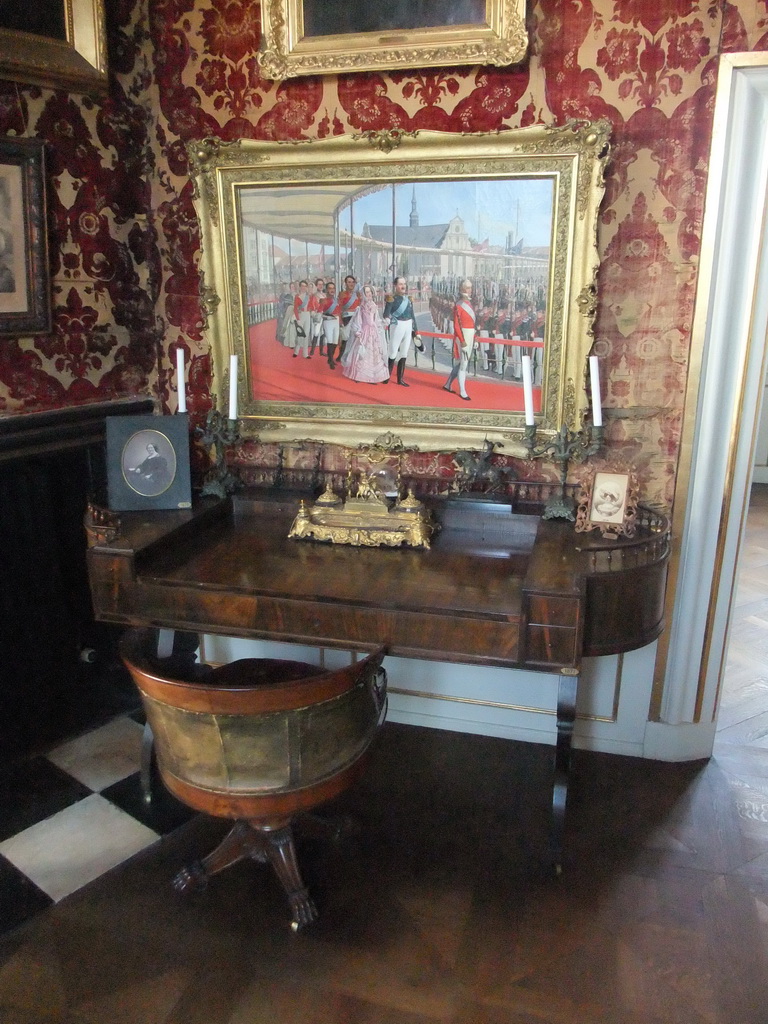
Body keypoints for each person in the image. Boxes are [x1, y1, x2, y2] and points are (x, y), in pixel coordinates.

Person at [341, 284, 389, 384]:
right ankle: (359, 375)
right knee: (361, 353)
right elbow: (358, 321)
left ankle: (373, 376)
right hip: (364, 331)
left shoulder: (374, 306)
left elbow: (376, 319)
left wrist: (382, 324)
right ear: (363, 294)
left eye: (370, 292)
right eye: (366, 292)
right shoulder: (360, 308)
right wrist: (358, 331)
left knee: (374, 353)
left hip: (373, 331)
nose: (369, 294)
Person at [382, 276, 422, 387]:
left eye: (404, 283)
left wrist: (416, 331)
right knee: (393, 352)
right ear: (395, 286)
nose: (403, 286)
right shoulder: (391, 298)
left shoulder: (409, 299)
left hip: (408, 325)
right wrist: (387, 319)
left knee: (404, 353)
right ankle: (387, 376)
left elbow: (412, 316)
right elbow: (386, 313)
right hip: (397, 325)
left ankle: (400, 378)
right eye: (400, 284)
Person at [442, 279, 475, 401]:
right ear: (462, 289)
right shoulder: (459, 305)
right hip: (463, 337)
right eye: (467, 288)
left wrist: (474, 338)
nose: (469, 290)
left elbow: (472, 323)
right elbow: (456, 325)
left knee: (460, 363)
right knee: (464, 364)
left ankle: (447, 384)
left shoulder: (469, 304)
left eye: (470, 287)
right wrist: (462, 340)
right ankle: (463, 391)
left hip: (470, 335)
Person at [337, 275, 361, 362]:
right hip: (346, 316)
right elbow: (339, 307)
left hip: (356, 316)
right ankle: (342, 354)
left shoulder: (358, 294)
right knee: (346, 337)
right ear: (346, 283)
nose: (351, 284)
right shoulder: (342, 294)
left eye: (352, 282)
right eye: (349, 282)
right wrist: (340, 320)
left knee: (355, 337)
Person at [320, 281, 341, 368]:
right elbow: (320, 313)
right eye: (330, 288)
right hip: (328, 321)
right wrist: (327, 317)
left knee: (335, 342)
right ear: (327, 290)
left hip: (336, 320)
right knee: (330, 341)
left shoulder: (337, 300)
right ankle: (331, 361)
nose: (332, 290)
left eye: (333, 288)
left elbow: (340, 311)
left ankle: (330, 358)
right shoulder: (323, 300)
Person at [291, 280, 311, 358]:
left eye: (305, 286)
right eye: (302, 286)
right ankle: (296, 351)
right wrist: (298, 319)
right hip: (301, 315)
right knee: (300, 334)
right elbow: (295, 308)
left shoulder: (309, 296)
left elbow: (313, 305)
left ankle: (305, 354)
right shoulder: (297, 296)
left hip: (307, 315)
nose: (303, 288)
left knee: (306, 334)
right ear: (300, 287)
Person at [308, 278, 326, 356]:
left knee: (323, 333)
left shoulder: (325, 295)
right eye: (319, 284)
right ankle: (312, 350)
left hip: (324, 315)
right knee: (316, 333)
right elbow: (312, 306)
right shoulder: (314, 295)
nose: (321, 286)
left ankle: (321, 351)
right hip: (318, 315)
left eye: (322, 284)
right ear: (316, 286)